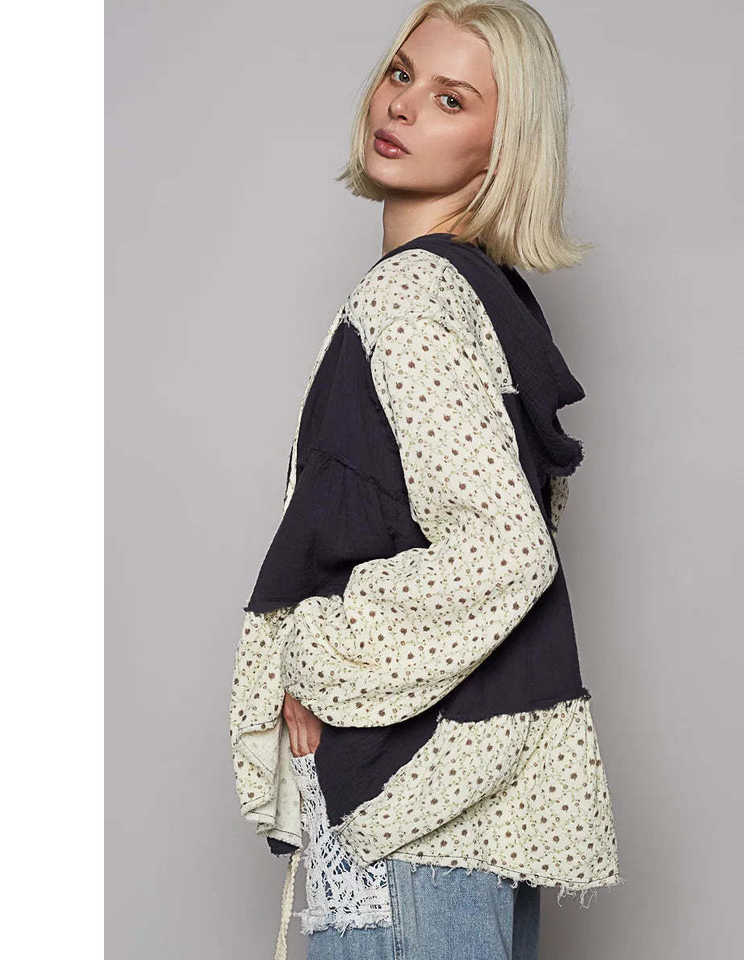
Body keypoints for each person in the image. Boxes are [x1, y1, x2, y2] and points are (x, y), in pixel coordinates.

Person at [229, 3, 624, 958]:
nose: (402, 105)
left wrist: (319, 655)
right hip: (459, 807)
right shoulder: (480, 295)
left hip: (408, 805)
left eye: (452, 99)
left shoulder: (410, 297)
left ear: (504, 146)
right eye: (402, 74)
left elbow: (505, 547)